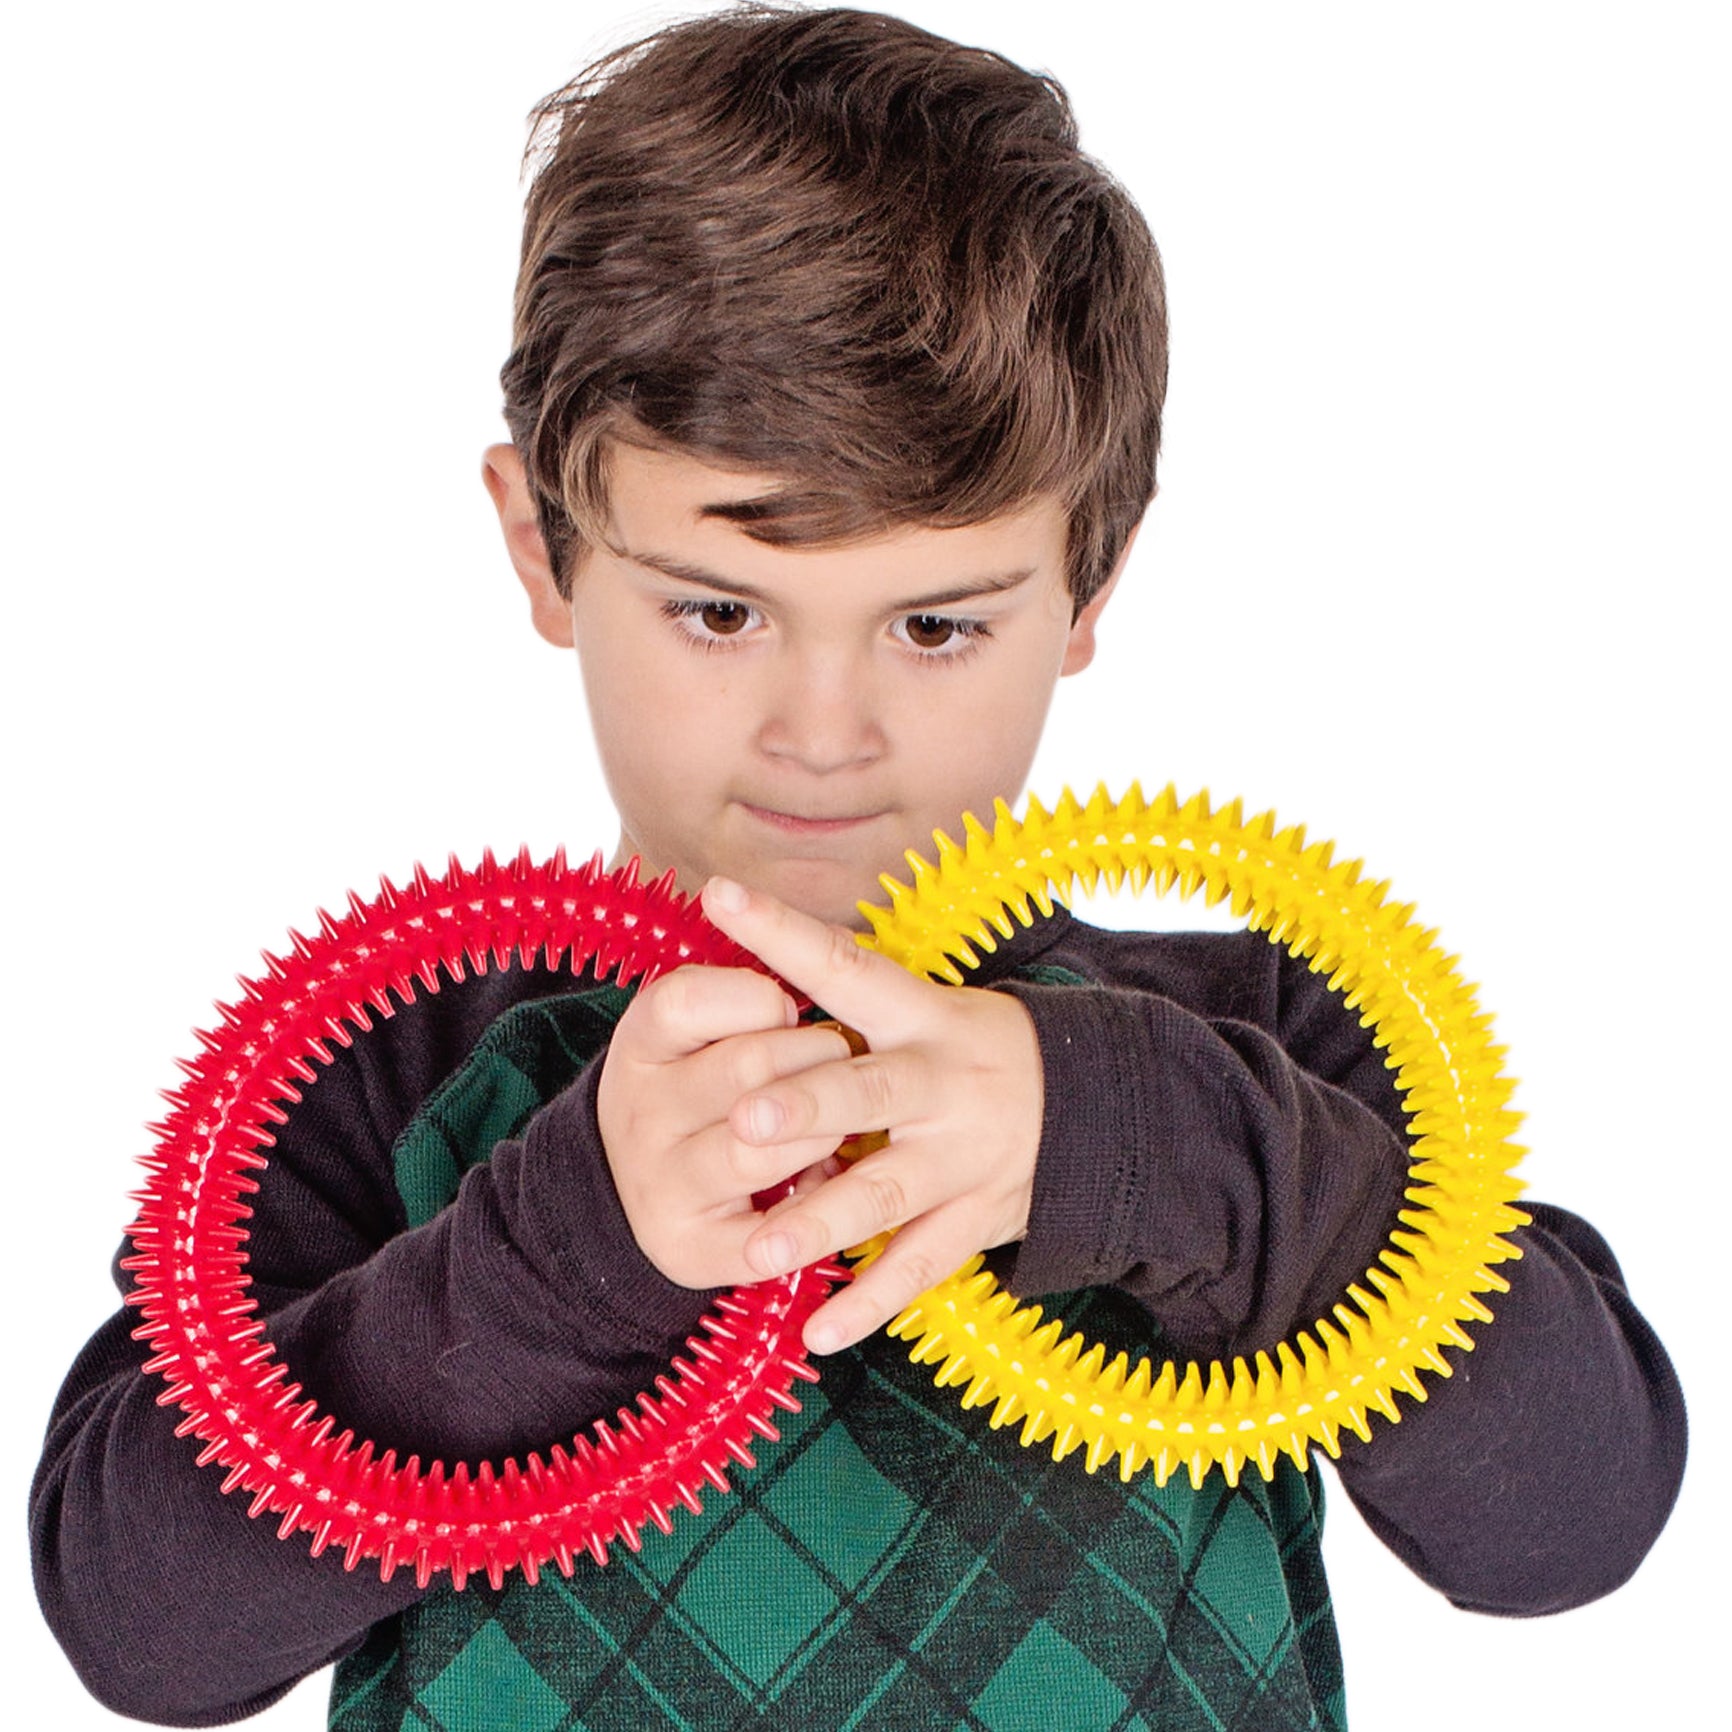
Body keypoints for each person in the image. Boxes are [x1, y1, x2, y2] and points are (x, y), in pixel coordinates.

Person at [30, 7, 1685, 1727]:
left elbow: (1571, 1519)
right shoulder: (393, 1062)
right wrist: (574, 1249)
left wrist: (1140, 1142)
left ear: (1092, 586)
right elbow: (140, 1627)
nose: (827, 734)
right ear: (543, 547)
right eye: (719, 611)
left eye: (939, 625)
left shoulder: (1239, 1050)